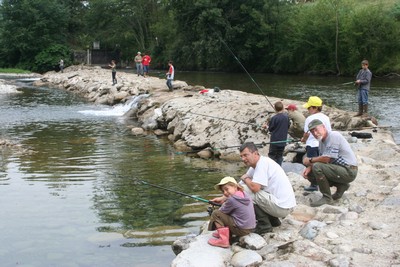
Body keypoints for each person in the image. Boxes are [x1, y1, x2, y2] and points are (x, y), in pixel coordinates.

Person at [239, 142, 296, 234]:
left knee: (245, 191)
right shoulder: (255, 166)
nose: (243, 159)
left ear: (256, 153)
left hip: (282, 207)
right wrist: (223, 198)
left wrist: (245, 178)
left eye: (246, 155)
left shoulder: (262, 163)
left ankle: (264, 225)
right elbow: (237, 186)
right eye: (241, 156)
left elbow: (255, 188)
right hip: (283, 206)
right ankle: (273, 221)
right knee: (243, 189)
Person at [302, 119, 358, 207]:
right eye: (312, 132)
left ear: (323, 127)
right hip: (339, 169)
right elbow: (322, 160)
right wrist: (309, 167)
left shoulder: (333, 136)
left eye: (316, 129)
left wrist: (309, 160)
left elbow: (327, 159)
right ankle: (341, 186)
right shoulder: (321, 142)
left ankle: (327, 198)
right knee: (311, 173)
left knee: (317, 167)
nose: (315, 133)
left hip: (349, 170)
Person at [207, 177, 256, 248]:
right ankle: (225, 234)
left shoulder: (232, 200)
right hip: (250, 227)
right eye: (223, 191)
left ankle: (223, 240)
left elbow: (221, 211)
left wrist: (222, 204)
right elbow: (233, 202)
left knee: (216, 213)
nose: (225, 193)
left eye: (226, 189)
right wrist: (224, 200)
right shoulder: (244, 194)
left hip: (241, 230)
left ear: (235, 186)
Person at [301, 96, 331, 192]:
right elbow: (328, 132)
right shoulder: (326, 118)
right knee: (321, 165)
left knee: (311, 165)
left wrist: (303, 140)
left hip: (312, 145)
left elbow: (307, 133)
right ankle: (323, 184)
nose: (308, 109)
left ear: (315, 108)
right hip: (323, 145)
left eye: (309, 107)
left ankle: (314, 185)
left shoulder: (309, 119)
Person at [265, 101, 290, 166]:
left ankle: (272, 169)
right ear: (283, 108)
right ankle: (279, 168)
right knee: (279, 156)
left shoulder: (274, 118)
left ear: (275, 109)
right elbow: (288, 126)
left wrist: (267, 126)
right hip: (283, 140)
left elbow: (270, 129)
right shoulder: (286, 117)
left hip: (275, 141)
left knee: (272, 156)